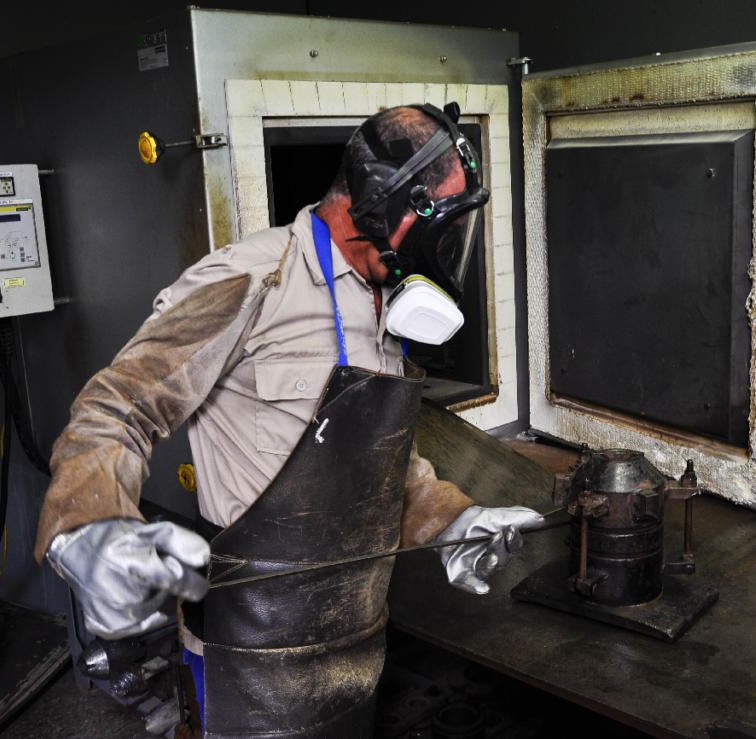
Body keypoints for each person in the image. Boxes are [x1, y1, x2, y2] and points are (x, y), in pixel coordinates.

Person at [34, 102, 543, 737]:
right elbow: (118, 408)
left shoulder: (384, 300)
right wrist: (88, 525)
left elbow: (375, 456)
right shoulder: (251, 279)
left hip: (355, 643)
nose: (444, 250)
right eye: (441, 225)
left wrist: (450, 519)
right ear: (385, 203)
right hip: (245, 655)